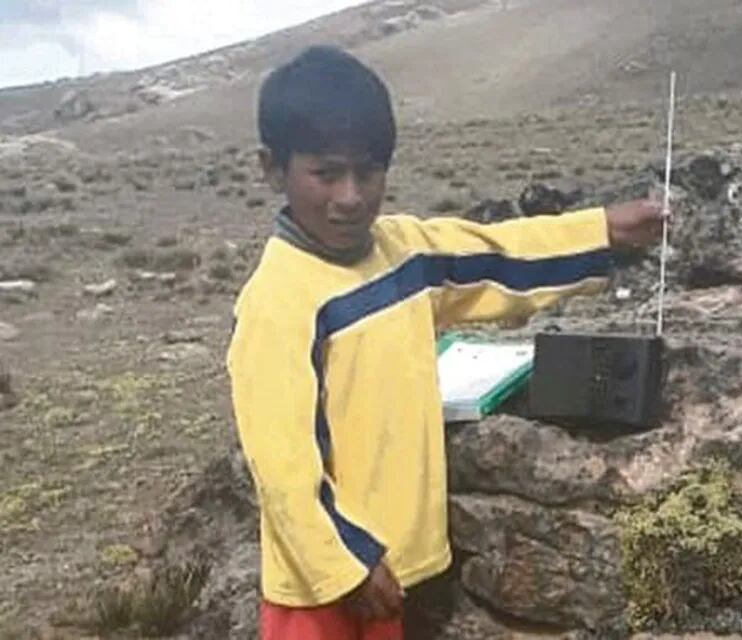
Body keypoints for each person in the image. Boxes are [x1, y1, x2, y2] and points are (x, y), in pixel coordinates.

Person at [226, 45, 669, 640]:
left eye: (369, 171)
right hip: (324, 592)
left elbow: (498, 257)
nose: (351, 196)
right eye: (326, 173)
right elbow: (281, 468)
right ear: (274, 169)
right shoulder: (277, 303)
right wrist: (348, 566)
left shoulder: (406, 251)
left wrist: (603, 231)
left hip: (407, 567)